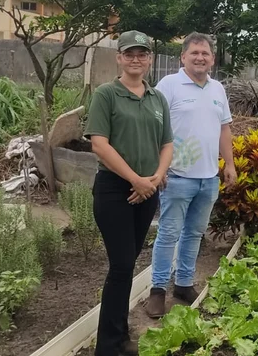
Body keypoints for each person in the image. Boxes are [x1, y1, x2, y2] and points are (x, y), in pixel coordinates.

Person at [85, 30, 174, 356]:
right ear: (119, 58)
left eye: (142, 53)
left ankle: (118, 336)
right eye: (129, 53)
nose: (136, 59)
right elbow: (99, 144)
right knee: (122, 266)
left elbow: (167, 144)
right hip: (114, 190)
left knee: (127, 265)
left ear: (149, 59)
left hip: (148, 188)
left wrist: (155, 177)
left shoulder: (157, 99)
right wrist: (135, 179)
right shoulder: (106, 95)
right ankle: (110, 346)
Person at [145, 32, 237, 318]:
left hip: (208, 178)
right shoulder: (168, 86)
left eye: (205, 53)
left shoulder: (217, 89)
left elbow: (224, 129)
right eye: (194, 52)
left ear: (212, 59)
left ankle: (183, 284)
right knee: (168, 234)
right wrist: (157, 170)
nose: (200, 57)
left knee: (195, 233)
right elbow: (153, 129)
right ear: (182, 57)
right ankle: (157, 290)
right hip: (176, 176)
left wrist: (229, 165)